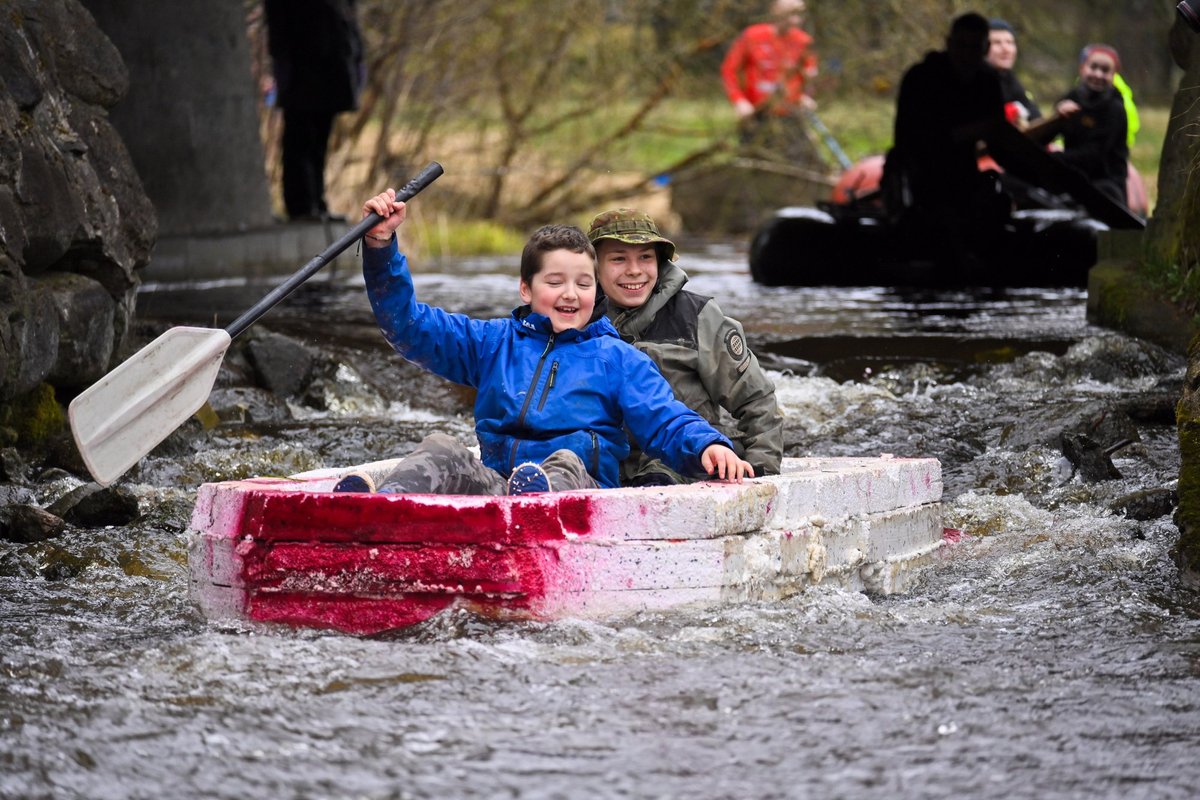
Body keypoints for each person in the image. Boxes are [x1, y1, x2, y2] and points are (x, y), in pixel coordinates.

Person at [335, 190, 754, 496]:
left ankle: (533, 497)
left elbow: (665, 419)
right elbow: (407, 325)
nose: (571, 294)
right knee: (442, 447)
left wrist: (710, 445)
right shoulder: (491, 343)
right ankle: (380, 507)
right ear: (526, 289)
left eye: (583, 283)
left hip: (581, 493)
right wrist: (380, 246)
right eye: (555, 282)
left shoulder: (619, 359)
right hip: (500, 487)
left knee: (565, 462)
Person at [586, 209, 783, 487]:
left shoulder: (699, 317)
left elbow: (755, 399)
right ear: (594, 267)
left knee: (660, 473)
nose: (634, 270)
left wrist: (762, 470)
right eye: (618, 259)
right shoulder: (576, 318)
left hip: (686, 462)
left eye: (646, 257)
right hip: (608, 464)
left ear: (661, 263)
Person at [882, 12, 1010, 270]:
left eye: (974, 47)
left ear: (985, 49)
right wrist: (967, 132)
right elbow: (910, 138)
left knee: (993, 201)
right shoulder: (921, 78)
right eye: (961, 46)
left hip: (961, 174)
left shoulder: (987, 82)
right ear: (948, 43)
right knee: (937, 213)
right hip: (916, 172)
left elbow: (999, 142)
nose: (966, 55)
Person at [263, 0, 364, 222]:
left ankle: (316, 203)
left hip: (330, 73)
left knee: (318, 142)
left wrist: (354, 59)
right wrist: (284, 69)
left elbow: (349, 24)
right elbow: (278, 31)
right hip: (302, 75)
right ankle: (301, 207)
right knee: (300, 142)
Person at [720, 0, 819, 160]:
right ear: (776, 12)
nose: (795, 20)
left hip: (789, 115)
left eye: (799, 14)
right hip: (757, 114)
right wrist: (739, 101)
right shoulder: (752, 36)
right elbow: (729, 70)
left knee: (803, 163)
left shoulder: (803, 42)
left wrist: (806, 96)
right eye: (790, 14)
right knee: (752, 163)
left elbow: (809, 75)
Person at [1052, 44, 1129, 205]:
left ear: (1113, 74)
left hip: (1106, 182)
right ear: (1082, 68)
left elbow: (1095, 153)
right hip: (1074, 176)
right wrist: (1057, 117)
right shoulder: (1071, 98)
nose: (1098, 74)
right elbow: (1050, 131)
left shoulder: (1115, 109)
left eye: (1105, 70)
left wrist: (1056, 158)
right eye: (1093, 67)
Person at [987, 18, 1042, 129]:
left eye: (1010, 42)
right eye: (997, 43)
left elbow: (1035, 117)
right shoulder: (972, 81)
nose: (1006, 49)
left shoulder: (1009, 79)